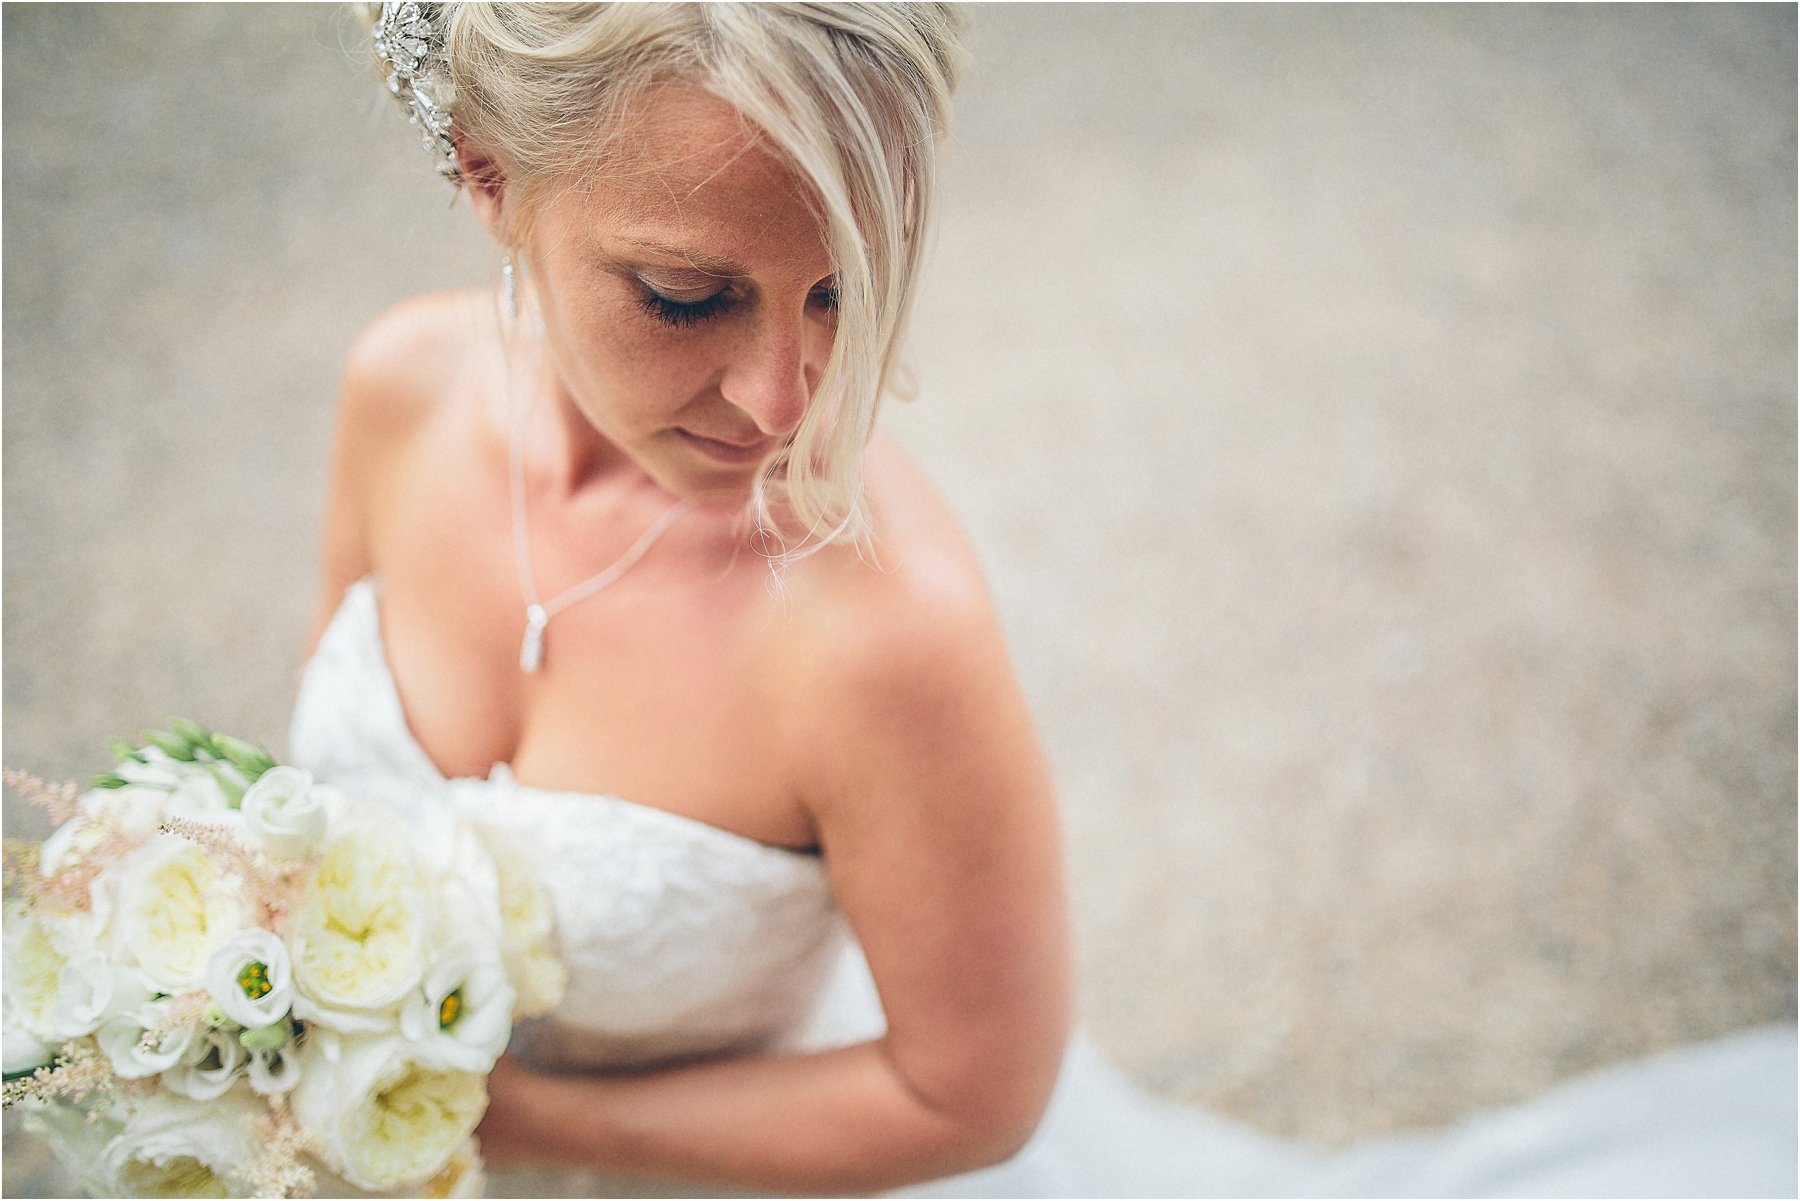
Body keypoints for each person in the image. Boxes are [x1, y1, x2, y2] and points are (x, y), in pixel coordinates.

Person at [291, 4, 1796, 1197]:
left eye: (847, 289)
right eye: (689, 296)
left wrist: (497, 1113)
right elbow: (318, 809)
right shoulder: (399, 391)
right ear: (488, 173)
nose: (786, 398)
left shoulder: (880, 626)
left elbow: (969, 1095)